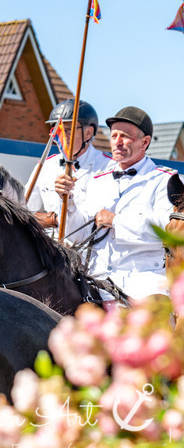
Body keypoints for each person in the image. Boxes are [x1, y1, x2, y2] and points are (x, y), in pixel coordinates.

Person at [63, 106, 177, 300]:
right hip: (95, 280)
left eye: (125, 136)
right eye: (114, 136)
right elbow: (79, 234)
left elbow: (165, 230)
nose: (117, 142)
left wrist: (116, 221)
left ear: (145, 142)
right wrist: (68, 201)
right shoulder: (97, 180)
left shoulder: (165, 180)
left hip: (143, 285)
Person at [26, 99, 111, 242]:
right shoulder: (45, 166)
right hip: (50, 249)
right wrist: (53, 219)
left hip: (89, 250)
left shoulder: (109, 167)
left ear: (88, 133)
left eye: (68, 130)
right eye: (56, 130)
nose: (61, 137)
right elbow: (25, 211)